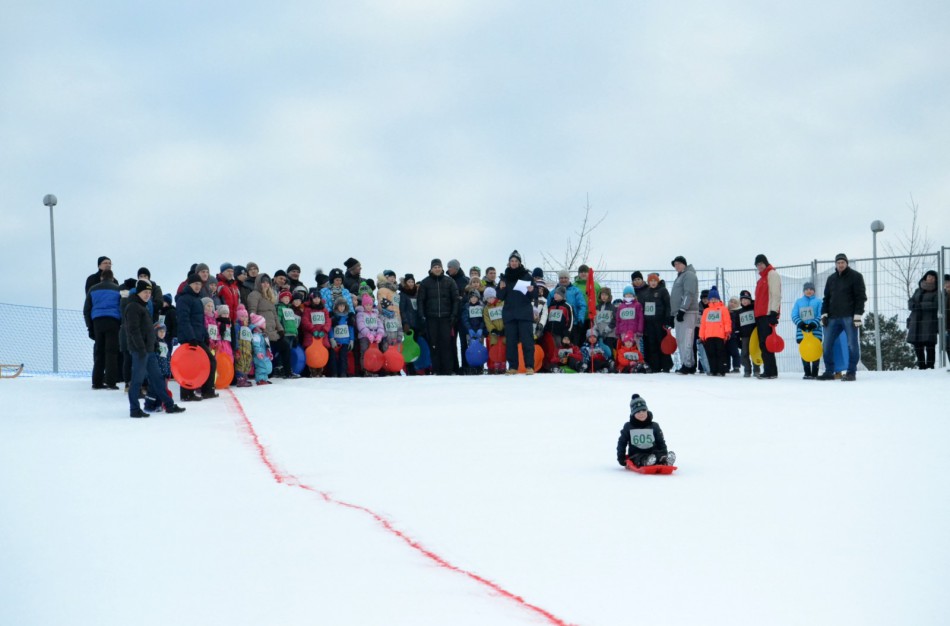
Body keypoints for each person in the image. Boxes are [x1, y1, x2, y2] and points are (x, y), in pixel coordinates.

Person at [124, 280, 186, 417]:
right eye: (144, 292)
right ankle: (134, 409)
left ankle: (169, 405)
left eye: (149, 292)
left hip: (149, 350)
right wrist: (141, 348)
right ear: (138, 292)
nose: (147, 295)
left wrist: (155, 343)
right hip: (140, 351)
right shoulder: (133, 307)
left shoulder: (144, 306)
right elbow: (133, 330)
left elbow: (148, 329)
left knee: (158, 378)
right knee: (137, 380)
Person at [818, 253, 867, 381]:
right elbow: (826, 298)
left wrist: (858, 315)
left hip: (849, 317)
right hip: (833, 317)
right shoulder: (831, 279)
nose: (840, 265)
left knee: (852, 344)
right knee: (827, 345)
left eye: (843, 262)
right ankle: (829, 372)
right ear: (835, 264)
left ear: (846, 263)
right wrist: (824, 314)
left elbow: (861, 297)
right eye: (838, 263)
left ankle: (851, 372)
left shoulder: (856, 277)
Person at [175, 273, 218, 400]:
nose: (198, 286)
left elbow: (200, 321)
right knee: (189, 365)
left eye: (200, 284)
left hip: (198, 337)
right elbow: (184, 320)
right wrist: (191, 337)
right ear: (189, 284)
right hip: (189, 339)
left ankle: (207, 390)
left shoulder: (198, 300)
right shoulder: (184, 299)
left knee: (210, 361)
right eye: (195, 284)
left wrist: (205, 335)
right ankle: (187, 394)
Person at [417, 259, 459, 376]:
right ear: (431, 268)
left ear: (442, 268)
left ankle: (448, 369)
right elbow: (421, 301)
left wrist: (454, 315)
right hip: (431, 318)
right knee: (434, 344)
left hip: (446, 318)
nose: (437, 269)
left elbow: (455, 300)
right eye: (434, 267)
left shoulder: (449, 281)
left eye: (438, 267)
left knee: (446, 344)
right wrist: (422, 316)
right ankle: (435, 369)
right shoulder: (425, 283)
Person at [247, 274, 292, 380]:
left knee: (285, 346)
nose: (266, 284)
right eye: (263, 282)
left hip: (273, 331)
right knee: (265, 353)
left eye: (267, 282)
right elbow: (252, 312)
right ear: (259, 283)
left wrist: (280, 329)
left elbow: (275, 316)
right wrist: (256, 328)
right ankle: (265, 374)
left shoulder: (270, 296)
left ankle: (288, 372)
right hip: (262, 331)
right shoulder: (254, 295)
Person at [83, 269, 122, 390]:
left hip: (97, 322)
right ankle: (111, 382)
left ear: (101, 277)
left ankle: (96, 382)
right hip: (113, 322)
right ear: (112, 278)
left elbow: (87, 310)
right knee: (111, 353)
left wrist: (90, 327)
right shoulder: (117, 289)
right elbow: (121, 307)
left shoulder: (93, 289)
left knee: (99, 352)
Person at [498, 250, 536, 375]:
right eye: (512, 261)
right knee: (511, 342)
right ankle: (513, 367)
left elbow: (534, 295)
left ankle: (529, 366)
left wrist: (532, 290)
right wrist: (501, 288)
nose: (514, 263)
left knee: (527, 341)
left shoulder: (527, 276)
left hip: (524, 313)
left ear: (519, 263)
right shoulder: (504, 277)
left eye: (516, 261)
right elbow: (500, 296)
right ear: (509, 263)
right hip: (510, 314)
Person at [616, 394, 675, 468]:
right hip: (636, 453)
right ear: (633, 414)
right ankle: (646, 462)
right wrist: (621, 457)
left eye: (644, 410)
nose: (641, 413)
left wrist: (664, 452)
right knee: (638, 458)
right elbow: (622, 443)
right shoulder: (629, 427)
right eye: (638, 412)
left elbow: (660, 441)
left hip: (653, 451)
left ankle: (665, 460)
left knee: (658, 454)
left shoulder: (654, 426)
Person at [753, 254, 782, 379]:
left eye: (761, 263)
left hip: (767, 314)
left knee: (767, 343)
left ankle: (770, 371)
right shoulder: (760, 279)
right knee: (763, 344)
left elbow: (776, 294)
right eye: (757, 265)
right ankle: (770, 370)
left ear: (765, 263)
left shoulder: (772, 274)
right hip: (760, 315)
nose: (759, 266)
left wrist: (774, 312)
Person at [669, 256, 699, 374]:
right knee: (681, 339)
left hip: (687, 312)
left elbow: (689, 293)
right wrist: (674, 313)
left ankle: (688, 364)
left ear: (684, 264)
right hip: (680, 312)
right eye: (675, 264)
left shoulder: (689, 275)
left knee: (686, 338)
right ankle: (686, 363)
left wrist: (682, 309)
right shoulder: (681, 276)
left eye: (678, 264)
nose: (676, 266)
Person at [639, 273, 672, 373]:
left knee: (662, 344)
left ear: (657, 281)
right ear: (648, 282)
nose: (653, 283)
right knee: (652, 344)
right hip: (649, 323)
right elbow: (644, 308)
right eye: (651, 281)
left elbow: (668, 306)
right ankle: (655, 366)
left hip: (660, 322)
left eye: (655, 281)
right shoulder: (646, 293)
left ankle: (666, 365)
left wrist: (667, 319)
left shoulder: (663, 291)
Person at [906, 270, 940, 369]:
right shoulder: (918, 290)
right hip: (915, 320)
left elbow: (935, 305)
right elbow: (910, 302)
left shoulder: (937, 292)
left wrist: (919, 305)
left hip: (929, 321)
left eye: (933, 278)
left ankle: (930, 366)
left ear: (936, 280)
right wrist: (913, 305)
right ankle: (921, 366)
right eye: (929, 276)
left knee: (930, 345)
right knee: (917, 345)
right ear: (925, 277)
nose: (931, 279)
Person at [791, 282, 823, 379]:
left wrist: (814, 323)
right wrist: (801, 324)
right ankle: (807, 372)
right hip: (802, 332)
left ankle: (815, 372)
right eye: (807, 289)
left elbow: (820, 314)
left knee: (815, 350)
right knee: (804, 351)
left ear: (814, 291)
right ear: (803, 291)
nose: (809, 291)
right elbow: (794, 315)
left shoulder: (819, 302)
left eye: (811, 289)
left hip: (815, 331)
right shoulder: (798, 302)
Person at [698, 286, 732, 376]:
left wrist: (727, 331)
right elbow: (703, 324)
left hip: (719, 335)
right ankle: (713, 370)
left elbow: (727, 321)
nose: (713, 300)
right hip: (708, 335)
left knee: (720, 353)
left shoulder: (723, 309)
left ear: (718, 299)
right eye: (711, 298)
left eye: (715, 298)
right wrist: (701, 335)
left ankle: (721, 370)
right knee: (711, 353)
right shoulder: (706, 311)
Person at [548, 270, 587, 345]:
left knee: (572, 345)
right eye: (561, 278)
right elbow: (547, 306)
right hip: (557, 324)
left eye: (565, 278)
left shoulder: (576, 291)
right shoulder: (553, 292)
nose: (563, 280)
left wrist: (580, 319)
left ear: (569, 279)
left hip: (572, 323)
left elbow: (582, 305)